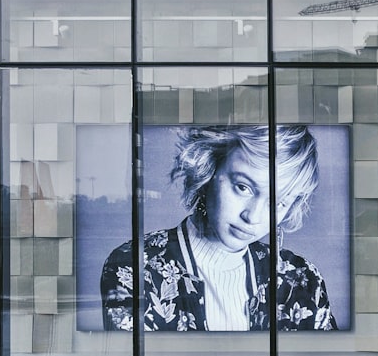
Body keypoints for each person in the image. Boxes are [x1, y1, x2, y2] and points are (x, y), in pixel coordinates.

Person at [101, 124, 336, 331]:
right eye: (243, 187)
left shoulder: (303, 278)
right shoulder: (135, 265)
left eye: (279, 201)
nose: (253, 216)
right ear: (209, 168)